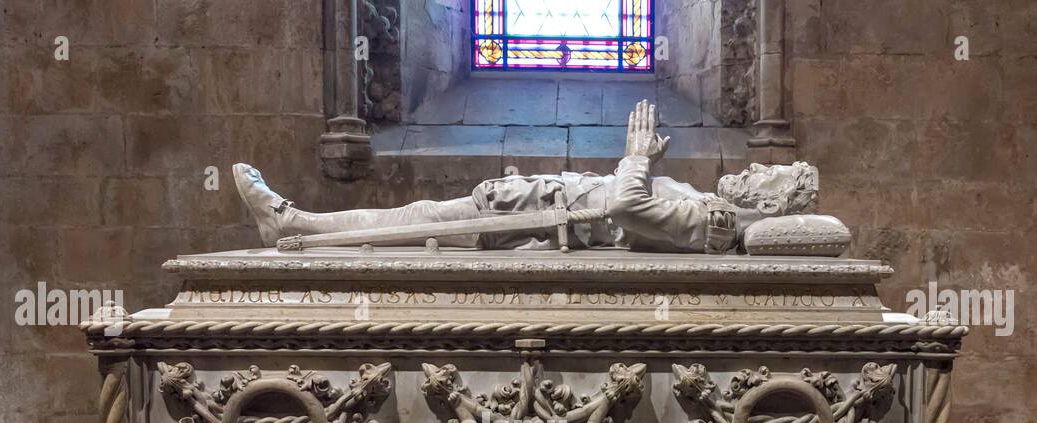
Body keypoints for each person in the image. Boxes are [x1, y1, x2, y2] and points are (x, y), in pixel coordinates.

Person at [234, 100, 818, 254]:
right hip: (538, 204)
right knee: (420, 221)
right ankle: (299, 224)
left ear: (770, 209)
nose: (756, 170)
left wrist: (638, 156)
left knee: (418, 222)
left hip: (539, 220)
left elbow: (626, 209)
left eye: (771, 177)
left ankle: (295, 224)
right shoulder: (706, 204)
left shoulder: (714, 220)